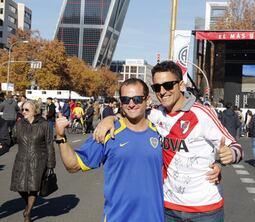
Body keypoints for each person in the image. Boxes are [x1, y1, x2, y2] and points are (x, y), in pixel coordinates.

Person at [94, 61, 243, 221]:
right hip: (168, 208)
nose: (162, 92)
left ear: (181, 85)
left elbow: (235, 147)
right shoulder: (154, 114)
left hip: (205, 210)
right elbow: (131, 113)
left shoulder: (203, 113)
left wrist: (230, 155)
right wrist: (110, 118)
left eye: (168, 85)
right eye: (157, 87)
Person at [55, 78, 164, 222]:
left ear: (147, 100)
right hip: (118, 218)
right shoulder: (108, 132)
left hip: (154, 218)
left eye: (137, 99)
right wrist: (61, 137)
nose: (131, 104)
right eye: (126, 99)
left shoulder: (160, 130)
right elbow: (73, 165)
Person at [10, 100, 55, 222]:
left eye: (26, 110)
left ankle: (28, 212)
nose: (23, 112)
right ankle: (29, 203)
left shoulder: (44, 124)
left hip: (38, 160)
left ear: (35, 111)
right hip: (21, 158)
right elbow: (12, 139)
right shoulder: (19, 124)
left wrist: (51, 163)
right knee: (20, 187)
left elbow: (49, 144)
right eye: (22, 109)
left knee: (33, 186)